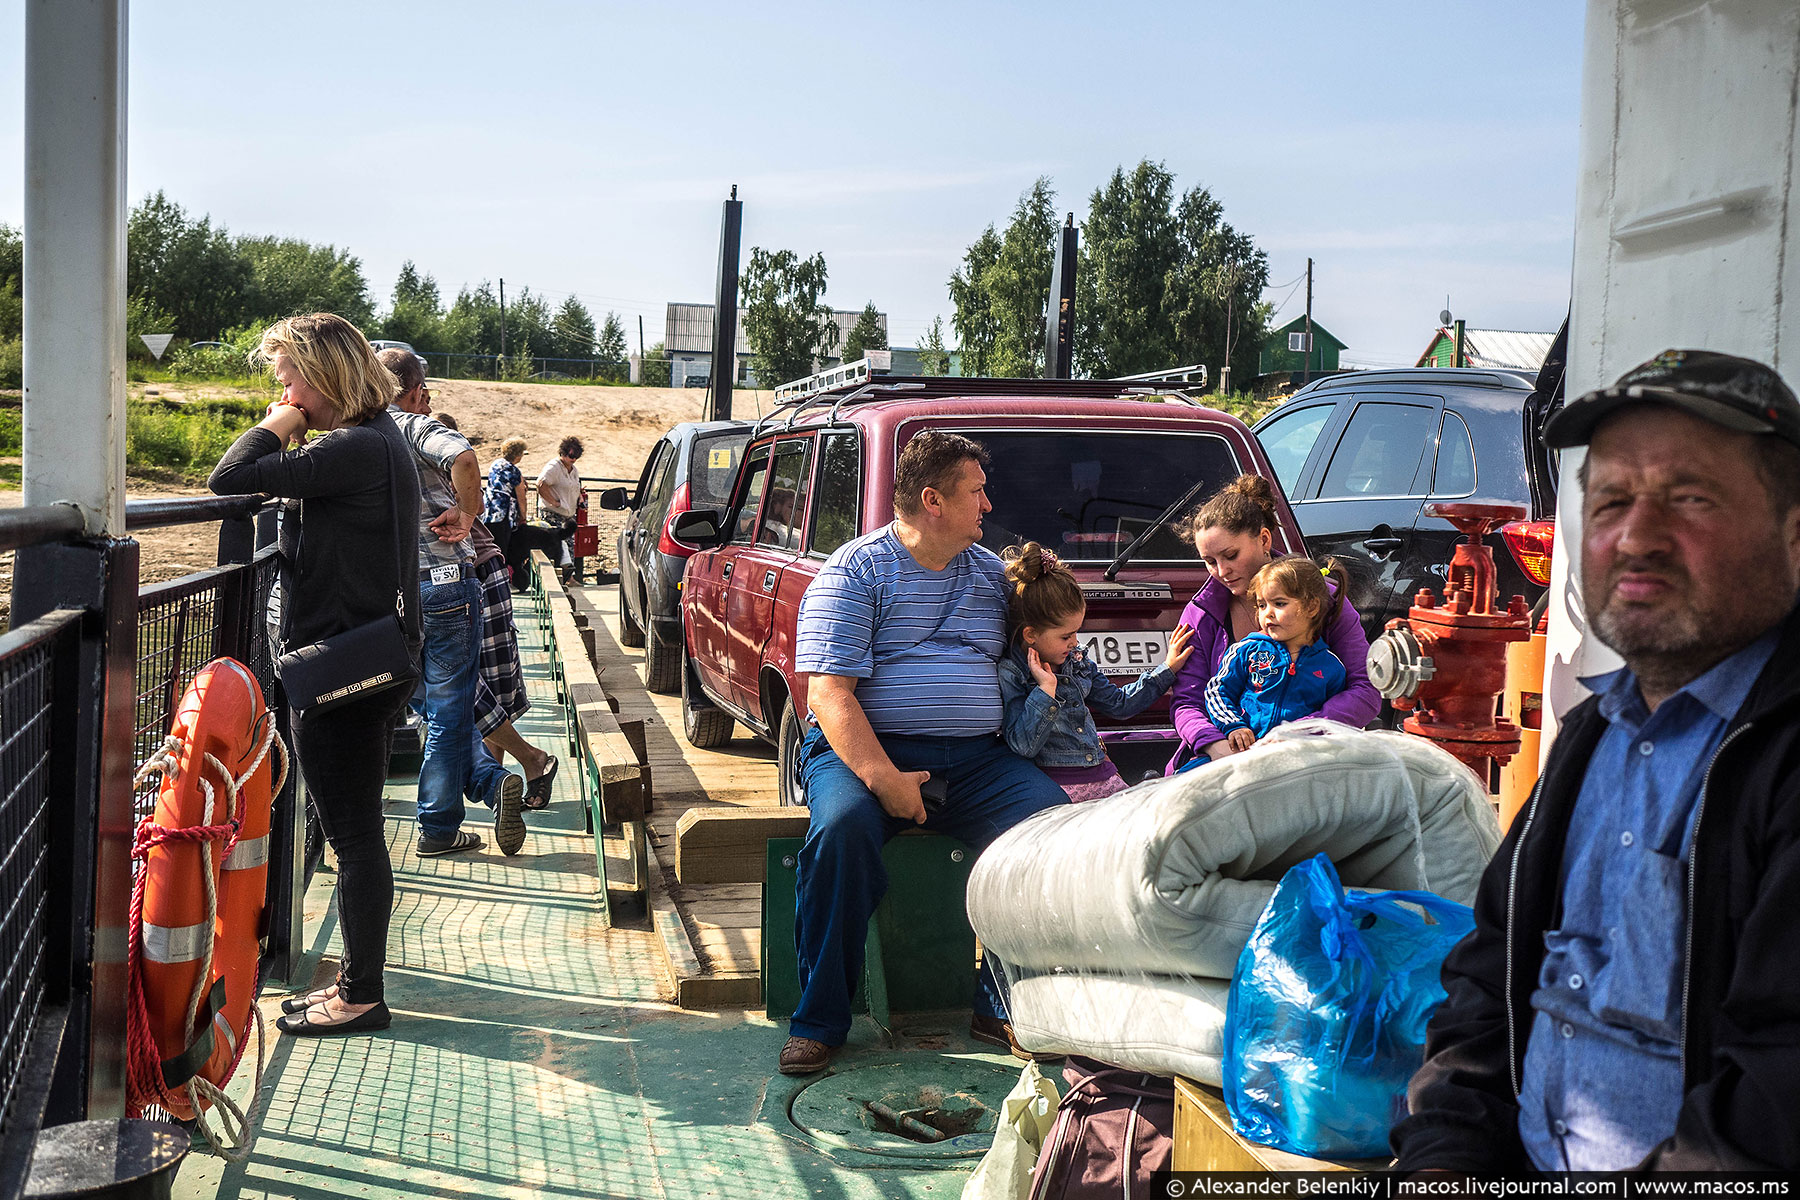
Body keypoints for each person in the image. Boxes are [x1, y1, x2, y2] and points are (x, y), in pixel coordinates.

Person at [1394, 349, 1800, 1172]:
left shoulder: (1782, 759)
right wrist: (1441, 1161)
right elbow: (1483, 989)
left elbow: (1773, 1108)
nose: (1638, 536)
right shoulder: (1592, 736)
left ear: (1795, 535)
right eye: (1611, 500)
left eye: (1691, 498)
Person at [783, 431, 1070, 1075]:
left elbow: (1050, 626)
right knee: (841, 830)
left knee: (1050, 830)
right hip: (862, 749)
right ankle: (820, 1019)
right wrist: (884, 778)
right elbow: (829, 696)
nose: (988, 505)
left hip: (975, 760)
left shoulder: (992, 575)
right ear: (932, 500)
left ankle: (998, 1006)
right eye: (976, 492)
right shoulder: (857, 571)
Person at [210, 312, 420, 1037]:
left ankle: (361, 995)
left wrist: (280, 423)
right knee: (353, 832)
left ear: (322, 377)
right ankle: (360, 987)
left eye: (290, 378)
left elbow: (228, 477)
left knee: (353, 836)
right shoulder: (376, 440)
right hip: (368, 656)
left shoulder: (356, 446)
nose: (284, 390)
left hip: (342, 666)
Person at [380, 348, 521, 857]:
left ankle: (484, 779)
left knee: (418, 696)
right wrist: (467, 513)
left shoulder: (354, 431)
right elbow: (462, 456)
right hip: (441, 578)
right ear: (417, 392)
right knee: (446, 706)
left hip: (385, 589)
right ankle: (441, 824)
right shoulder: (408, 424)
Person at [1164, 474, 1380, 769]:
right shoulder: (1200, 613)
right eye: (1210, 561)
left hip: (1314, 758)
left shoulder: (1326, 600)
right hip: (1222, 760)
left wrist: (1301, 733)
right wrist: (1215, 744)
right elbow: (1188, 702)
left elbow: (1365, 690)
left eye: (1231, 555)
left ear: (1264, 539)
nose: (1222, 571)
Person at [996, 542, 1194, 801]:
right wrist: (1046, 691)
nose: (1075, 642)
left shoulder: (1077, 661)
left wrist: (1167, 669)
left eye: (1077, 632)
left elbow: (1119, 704)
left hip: (1104, 776)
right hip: (1056, 788)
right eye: (1066, 635)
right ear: (1030, 634)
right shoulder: (1013, 674)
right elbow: (1022, 745)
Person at [1201, 556, 1351, 751]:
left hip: (1299, 760)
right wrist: (1233, 726)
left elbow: (1335, 724)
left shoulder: (1331, 667)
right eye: (1262, 605)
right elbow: (1217, 691)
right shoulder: (1246, 650)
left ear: (1311, 607)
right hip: (1244, 753)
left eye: (1279, 603)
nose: (1267, 613)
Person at [536, 436, 587, 583]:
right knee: (556, 548)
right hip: (553, 514)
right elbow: (540, 484)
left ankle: (568, 578)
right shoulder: (554, 467)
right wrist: (554, 502)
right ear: (563, 453)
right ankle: (556, 579)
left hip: (568, 515)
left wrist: (579, 497)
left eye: (576, 456)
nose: (574, 459)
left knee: (569, 547)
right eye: (571, 455)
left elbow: (573, 487)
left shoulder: (573, 470)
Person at [483, 436, 528, 564]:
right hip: (503, 516)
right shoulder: (514, 471)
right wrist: (523, 517)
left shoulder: (495, 464)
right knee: (502, 550)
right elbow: (521, 497)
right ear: (518, 455)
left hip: (488, 512)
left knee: (489, 549)